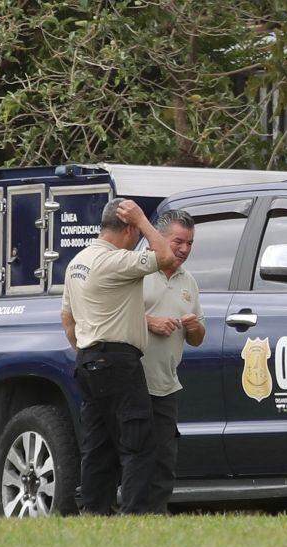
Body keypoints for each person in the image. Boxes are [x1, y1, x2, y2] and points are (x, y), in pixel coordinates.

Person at [60, 198, 177, 514]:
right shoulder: (116, 261)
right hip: (118, 361)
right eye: (136, 232)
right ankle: (135, 515)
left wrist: (86, 350)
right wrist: (144, 221)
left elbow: (67, 318)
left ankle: (95, 513)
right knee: (137, 442)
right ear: (128, 229)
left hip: (87, 360)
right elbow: (165, 257)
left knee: (98, 446)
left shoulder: (77, 263)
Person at [142, 210, 204, 513]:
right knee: (130, 451)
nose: (184, 249)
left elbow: (197, 338)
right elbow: (109, 316)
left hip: (166, 383)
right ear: (157, 237)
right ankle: (124, 511)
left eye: (190, 243)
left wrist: (195, 328)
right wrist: (149, 322)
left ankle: (157, 514)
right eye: (178, 241)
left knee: (164, 455)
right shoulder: (136, 270)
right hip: (132, 379)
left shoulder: (188, 281)